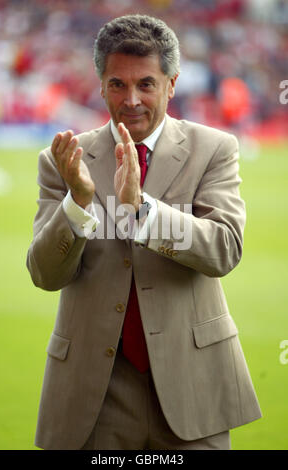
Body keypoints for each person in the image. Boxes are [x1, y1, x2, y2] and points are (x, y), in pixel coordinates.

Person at [26, 14, 261, 450]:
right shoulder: (62, 160)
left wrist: (144, 212)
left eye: (146, 84)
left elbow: (225, 249)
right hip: (94, 395)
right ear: (100, 85)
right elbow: (45, 274)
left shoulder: (214, 150)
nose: (131, 99)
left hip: (193, 386)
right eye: (117, 84)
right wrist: (77, 202)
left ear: (171, 84)